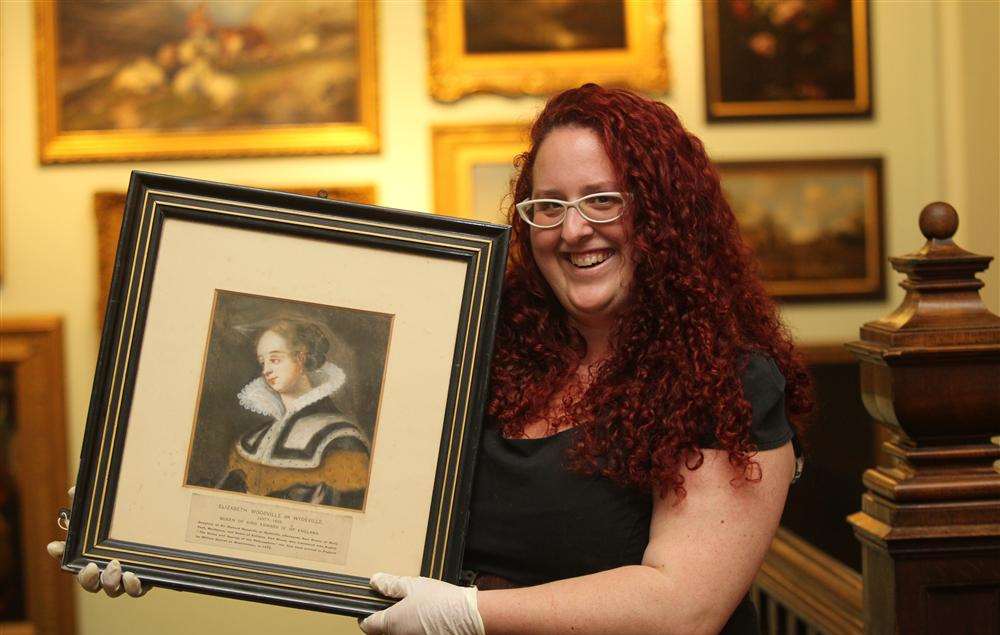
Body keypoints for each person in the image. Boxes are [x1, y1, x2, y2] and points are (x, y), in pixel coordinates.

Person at [50, 83, 810, 633]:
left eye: (603, 199)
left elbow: (683, 604)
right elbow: (343, 488)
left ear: (664, 214)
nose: (572, 230)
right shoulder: (485, 343)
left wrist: (468, 612)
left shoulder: (729, 379)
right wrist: (145, 536)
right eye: (547, 206)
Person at [215, 318, 371, 509]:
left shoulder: (340, 440)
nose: (266, 370)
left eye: (275, 360)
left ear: (301, 358)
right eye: (262, 361)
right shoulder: (253, 439)